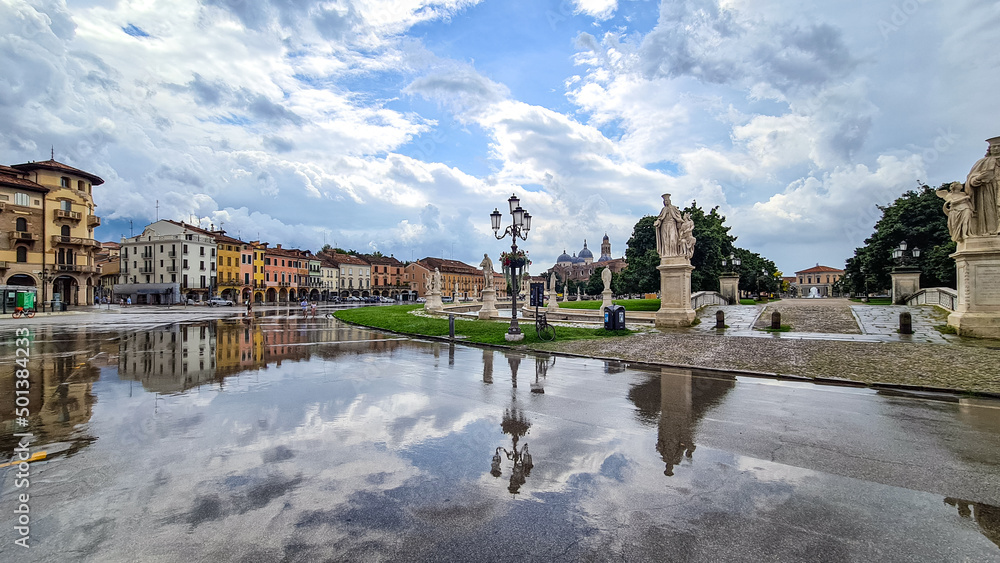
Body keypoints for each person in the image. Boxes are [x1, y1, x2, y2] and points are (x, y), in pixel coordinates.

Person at [965, 136, 1000, 236]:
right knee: (990, 212)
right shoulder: (983, 162)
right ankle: (991, 230)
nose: (996, 149)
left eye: (999, 147)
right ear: (990, 149)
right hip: (988, 192)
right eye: (994, 147)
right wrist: (976, 179)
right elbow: (971, 177)